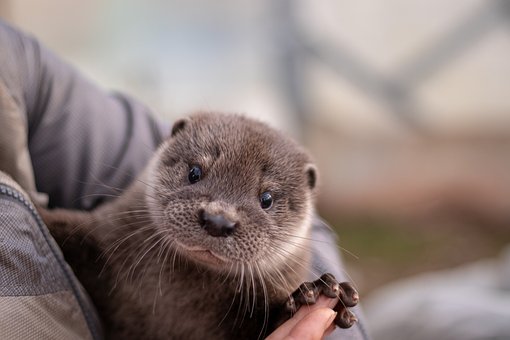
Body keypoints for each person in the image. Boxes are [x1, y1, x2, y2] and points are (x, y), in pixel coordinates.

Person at [0, 19, 370, 340]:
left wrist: (306, 310)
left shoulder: (283, 278)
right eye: (195, 175)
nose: (219, 218)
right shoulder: (128, 224)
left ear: (306, 197)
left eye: (266, 200)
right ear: (172, 145)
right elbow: (66, 241)